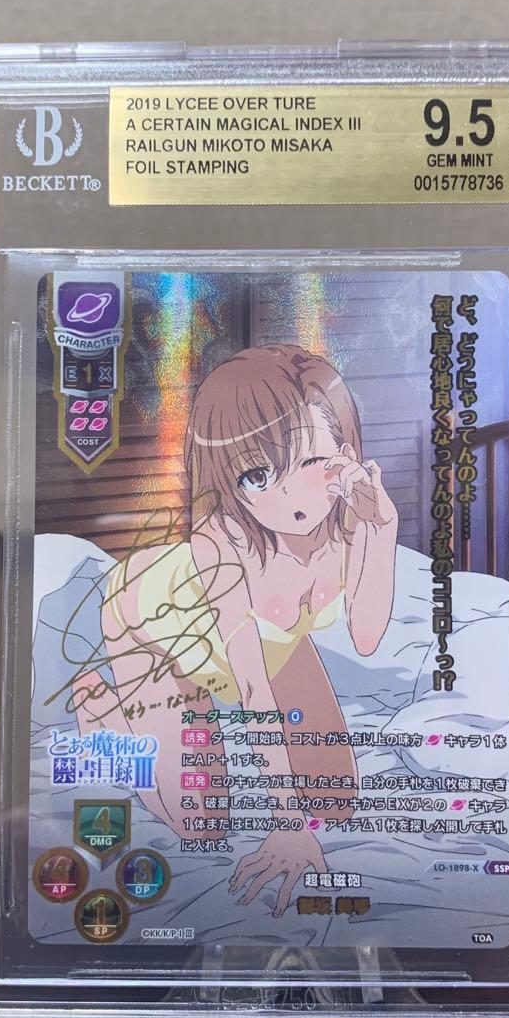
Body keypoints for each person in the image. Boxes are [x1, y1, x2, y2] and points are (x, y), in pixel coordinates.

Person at [74, 343, 398, 917]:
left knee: (337, 799)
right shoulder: (220, 541)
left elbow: (367, 636)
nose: (283, 497)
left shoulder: (356, 521)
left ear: (346, 456)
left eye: (308, 462)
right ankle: (99, 706)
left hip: (278, 638)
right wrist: (287, 824)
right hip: (159, 632)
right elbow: (251, 690)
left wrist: (383, 527)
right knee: (201, 821)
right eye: (256, 475)